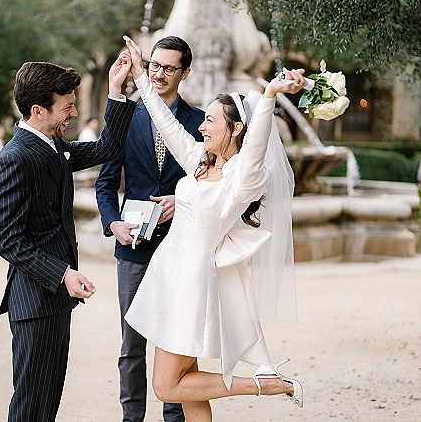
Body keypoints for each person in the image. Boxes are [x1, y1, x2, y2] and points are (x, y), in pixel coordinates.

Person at [122, 36, 305, 421]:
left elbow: (255, 146)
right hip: (168, 273)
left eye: (210, 120)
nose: (201, 125)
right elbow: (166, 122)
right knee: (185, 383)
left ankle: (264, 384)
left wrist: (270, 93)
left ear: (235, 128)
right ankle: (264, 383)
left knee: (166, 386)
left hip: (191, 282)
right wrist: (140, 75)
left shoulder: (243, 177)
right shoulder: (201, 164)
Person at [0, 53, 136, 422]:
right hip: (35, 301)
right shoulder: (15, 158)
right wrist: (63, 273)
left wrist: (116, 90)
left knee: (46, 404)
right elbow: (6, 239)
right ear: (38, 110)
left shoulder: (52, 145)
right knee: (31, 408)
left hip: (52, 301)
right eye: (67, 107)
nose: (73, 113)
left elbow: (108, 149)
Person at [95, 36, 205, 422]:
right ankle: (132, 418)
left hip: (182, 247)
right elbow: (106, 182)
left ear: (185, 73)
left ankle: (173, 417)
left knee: (175, 340)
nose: (157, 74)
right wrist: (113, 223)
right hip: (134, 249)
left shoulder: (201, 123)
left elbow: (213, 180)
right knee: (131, 346)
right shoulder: (127, 118)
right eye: (154, 65)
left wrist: (184, 199)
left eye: (168, 68)